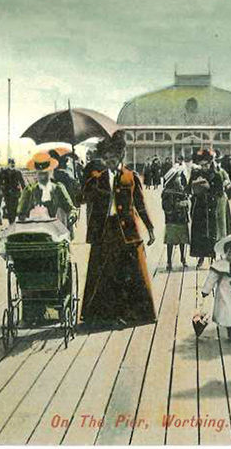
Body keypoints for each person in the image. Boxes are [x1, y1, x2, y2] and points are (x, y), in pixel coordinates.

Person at [80, 130, 157, 327]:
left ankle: (136, 314)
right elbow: (81, 198)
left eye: (113, 157)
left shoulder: (131, 176)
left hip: (128, 231)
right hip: (104, 230)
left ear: (121, 155)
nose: (110, 160)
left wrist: (150, 228)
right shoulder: (97, 177)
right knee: (106, 273)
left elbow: (140, 205)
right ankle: (103, 316)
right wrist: (91, 177)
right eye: (106, 157)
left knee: (131, 272)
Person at [16, 160, 78, 232]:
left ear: (50, 172)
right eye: (40, 174)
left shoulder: (58, 189)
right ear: (36, 173)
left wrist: (72, 216)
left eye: (45, 173)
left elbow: (70, 208)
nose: (43, 177)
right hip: (34, 230)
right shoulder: (29, 190)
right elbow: (21, 212)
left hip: (55, 230)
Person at [187, 149, 225, 268]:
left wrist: (209, 188)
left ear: (210, 163)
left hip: (211, 206)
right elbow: (188, 189)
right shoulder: (195, 174)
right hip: (199, 207)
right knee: (199, 232)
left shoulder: (216, 175)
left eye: (206, 165)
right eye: (202, 165)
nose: (204, 167)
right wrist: (194, 188)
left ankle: (213, 257)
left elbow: (220, 192)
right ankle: (201, 257)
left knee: (211, 231)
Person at [161, 167, 190, 271]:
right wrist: (177, 205)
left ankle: (183, 258)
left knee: (183, 240)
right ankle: (169, 261)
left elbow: (186, 202)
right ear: (172, 180)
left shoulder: (181, 189)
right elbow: (165, 206)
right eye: (178, 178)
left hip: (182, 218)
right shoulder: (167, 192)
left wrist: (186, 204)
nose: (180, 180)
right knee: (170, 241)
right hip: (172, 220)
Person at [0, 157, 25, 225]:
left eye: (13, 163)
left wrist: (24, 191)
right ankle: (11, 223)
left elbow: (22, 183)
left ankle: (12, 222)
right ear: (8, 164)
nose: (12, 165)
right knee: (9, 209)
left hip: (15, 194)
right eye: (11, 163)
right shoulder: (4, 172)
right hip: (7, 194)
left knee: (15, 209)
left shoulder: (18, 172)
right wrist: (2, 189)